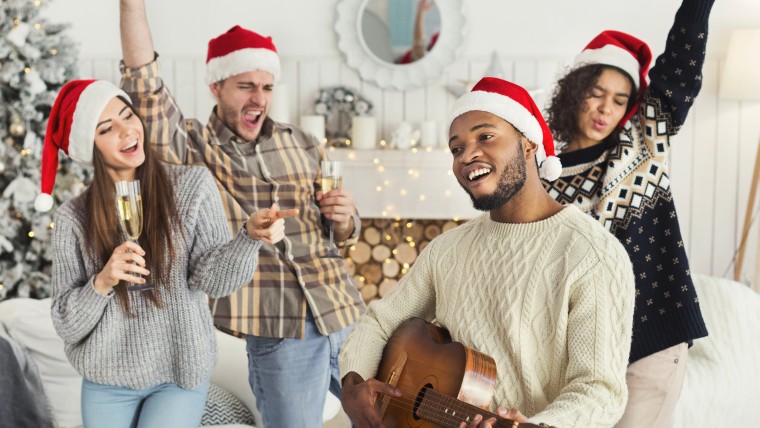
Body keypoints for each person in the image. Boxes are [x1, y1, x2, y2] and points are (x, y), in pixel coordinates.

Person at [118, 1, 365, 426]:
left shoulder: (304, 142)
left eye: (267, 87)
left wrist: (345, 219)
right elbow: (144, 85)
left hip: (347, 314)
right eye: (246, 86)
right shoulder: (192, 147)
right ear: (216, 87)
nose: (259, 98)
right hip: (278, 328)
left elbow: (341, 232)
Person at [339, 77, 636, 428]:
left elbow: (599, 390)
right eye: (456, 148)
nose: (467, 155)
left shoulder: (593, 254)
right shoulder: (446, 249)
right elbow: (381, 321)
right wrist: (352, 384)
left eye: (485, 136)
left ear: (527, 143)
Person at [35, 79, 291, 427]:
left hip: (179, 372)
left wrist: (247, 237)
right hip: (106, 380)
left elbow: (213, 281)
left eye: (128, 115)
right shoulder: (73, 218)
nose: (127, 131)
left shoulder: (192, 186)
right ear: (89, 146)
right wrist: (103, 281)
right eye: (107, 128)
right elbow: (66, 323)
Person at [542, 1, 714, 426]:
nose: (605, 109)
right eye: (595, 94)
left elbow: (680, 67)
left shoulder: (642, 141)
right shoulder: (546, 181)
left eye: (619, 100)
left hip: (655, 337)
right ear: (573, 93)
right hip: (582, 352)